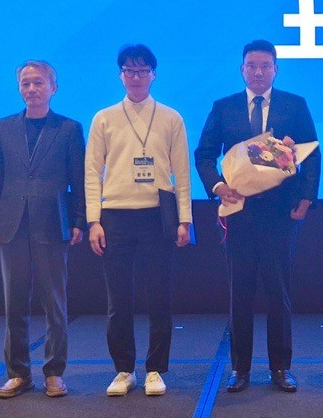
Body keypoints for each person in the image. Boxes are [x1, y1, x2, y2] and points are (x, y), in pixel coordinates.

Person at [194, 39, 320, 393]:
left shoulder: (295, 105)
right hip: (238, 213)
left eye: (266, 65)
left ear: (276, 69)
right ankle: (240, 369)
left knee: (279, 292)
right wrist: (217, 186)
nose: (259, 71)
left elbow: (311, 153)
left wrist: (307, 198)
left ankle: (281, 369)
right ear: (242, 69)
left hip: (281, 214)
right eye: (252, 65)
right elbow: (204, 154)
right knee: (240, 293)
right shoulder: (224, 107)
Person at [85, 44, 193, 397]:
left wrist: (184, 219)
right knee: (119, 299)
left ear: (153, 75)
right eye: (129, 71)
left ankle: (156, 369)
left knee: (159, 296)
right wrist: (93, 220)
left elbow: (181, 172)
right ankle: (123, 369)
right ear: (121, 75)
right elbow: (91, 172)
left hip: (157, 215)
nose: (136, 77)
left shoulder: (171, 117)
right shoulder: (103, 117)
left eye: (143, 70)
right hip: (114, 215)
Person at [0, 61, 86, 399]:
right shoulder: (1, 128)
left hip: (53, 225)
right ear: (19, 89)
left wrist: (77, 220)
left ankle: (54, 372)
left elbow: (78, 182)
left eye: (38, 83)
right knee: (14, 305)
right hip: (11, 225)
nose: (31, 89)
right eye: (25, 83)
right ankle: (18, 373)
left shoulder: (69, 129)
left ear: (53, 88)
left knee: (55, 304)